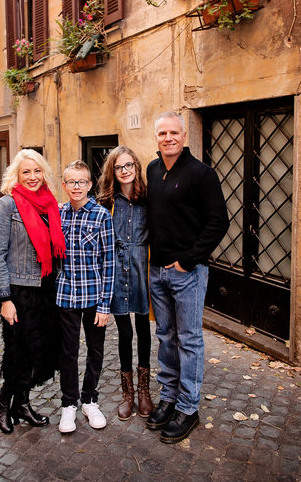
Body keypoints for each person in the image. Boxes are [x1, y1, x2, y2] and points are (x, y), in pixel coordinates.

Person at [146, 111, 229, 443]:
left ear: (184, 136)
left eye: (174, 133)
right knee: (166, 335)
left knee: (190, 340)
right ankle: (168, 398)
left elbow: (218, 222)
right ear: (157, 137)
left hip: (188, 274)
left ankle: (188, 407)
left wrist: (189, 261)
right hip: (157, 271)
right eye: (162, 133)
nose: (168, 138)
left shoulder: (201, 174)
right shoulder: (152, 170)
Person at [0, 149, 66, 434]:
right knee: (18, 352)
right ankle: (4, 402)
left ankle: (22, 404)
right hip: (20, 293)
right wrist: (4, 299)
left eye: (37, 171)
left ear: (44, 173)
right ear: (16, 176)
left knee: (40, 353)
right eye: (26, 172)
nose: (32, 177)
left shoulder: (50, 205)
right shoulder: (6, 206)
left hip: (46, 290)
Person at [56, 160, 115, 433]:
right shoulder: (57, 214)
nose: (76, 186)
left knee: (95, 351)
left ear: (90, 185)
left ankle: (90, 401)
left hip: (93, 297)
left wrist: (105, 305)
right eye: (71, 182)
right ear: (65, 185)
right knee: (67, 352)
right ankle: (69, 404)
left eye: (81, 182)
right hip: (66, 295)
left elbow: (109, 262)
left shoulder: (102, 215)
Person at [97, 146, 152, 420]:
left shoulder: (147, 199)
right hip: (117, 271)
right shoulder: (107, 202)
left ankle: (144, 391)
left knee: (143, 328)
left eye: (129, 165)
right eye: (119, 167)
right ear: (113, 171)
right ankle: (127, 393)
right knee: (125, 332)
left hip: (142, 268)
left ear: (136, 167)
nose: (125, 170)